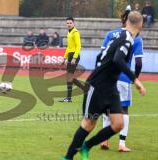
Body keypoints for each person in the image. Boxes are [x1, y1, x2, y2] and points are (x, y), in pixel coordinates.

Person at [62, 11, 146, 160]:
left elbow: (101, 56)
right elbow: (118, 60)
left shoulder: (122, 36)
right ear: (141, 25)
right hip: (97, 86)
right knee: (89, 123)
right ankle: (68, 157)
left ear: (126, 22)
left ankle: (86, 146)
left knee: (118, 124)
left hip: (110, 87)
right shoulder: (126, 39)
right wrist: (136, 80)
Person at [100, 8, 144, 152]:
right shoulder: (136, 38)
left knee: (107, 108)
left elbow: (102, 56)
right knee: (124, 109)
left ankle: (104, 140)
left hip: (107, 77)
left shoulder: (110, 34)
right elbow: (138, 63)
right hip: (124, 78)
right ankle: (121, 144)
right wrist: (135, 78)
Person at [60, 17, 82, 103]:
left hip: (74, 56)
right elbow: (68, 47)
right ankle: (86, 89)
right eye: (67, 23)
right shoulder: (69, 33)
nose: (69, 24)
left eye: (70, 23)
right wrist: (64, 58)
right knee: (69, 77)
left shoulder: (75, 32)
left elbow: (78, 46)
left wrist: (74, 57)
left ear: (73, 23)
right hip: (70, 55)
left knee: (69, 76)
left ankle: (86, 89)